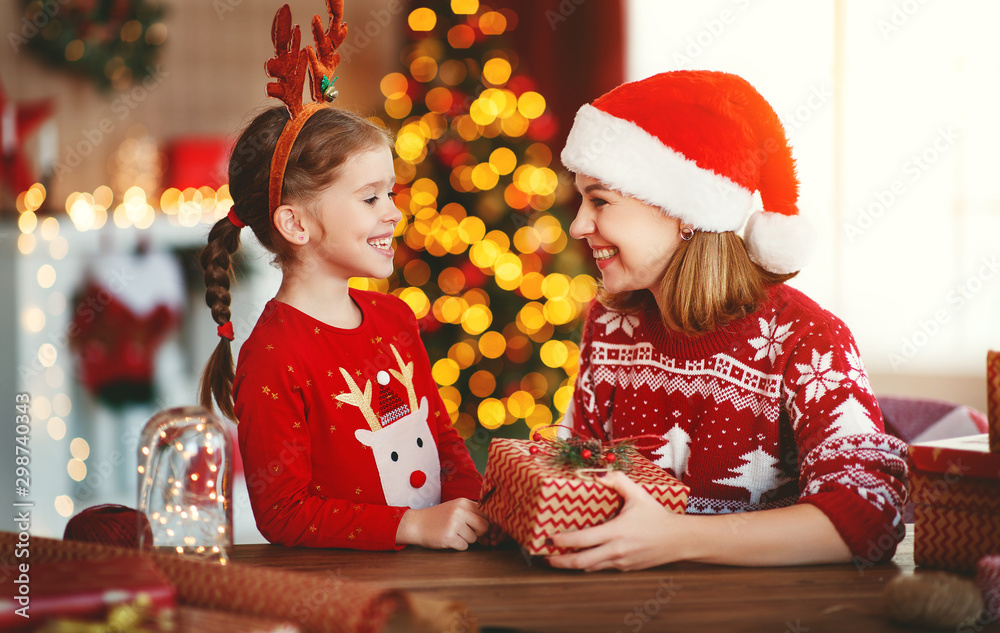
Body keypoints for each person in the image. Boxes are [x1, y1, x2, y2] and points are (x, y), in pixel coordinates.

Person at [549, 70, 909, 570]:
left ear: (684, 212)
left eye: (601, 201)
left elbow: (871, 516)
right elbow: (576, 469)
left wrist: (676, 539)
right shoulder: (610, 324)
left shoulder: (807, 338)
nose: (579, 225)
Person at [198, 1, 486, 551]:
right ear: (296, 224)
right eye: (370, 197)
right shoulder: (274, 357)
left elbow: (443, 440)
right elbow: (282, 513)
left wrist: (469, 505)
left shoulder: (395, 317)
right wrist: (411, 526)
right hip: (348, 597)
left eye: (392, 194)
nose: (393, 213)